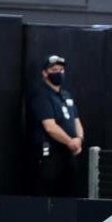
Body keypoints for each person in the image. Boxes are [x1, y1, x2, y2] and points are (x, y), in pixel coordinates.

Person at [28, 54, 83, 197]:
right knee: (48, 193)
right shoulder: (41, 95)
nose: (58, 72)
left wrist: (79, 139)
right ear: (45, 73)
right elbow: (50, 127)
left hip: (69, 153)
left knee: (70, 192)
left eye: (61, 69)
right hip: (51, 153)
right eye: (54, 70)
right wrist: (70, 141)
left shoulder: (66, 95)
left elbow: (76, 120)